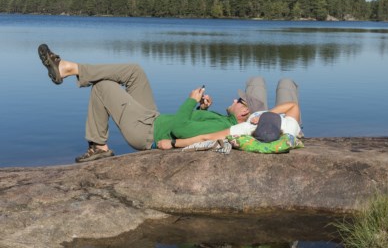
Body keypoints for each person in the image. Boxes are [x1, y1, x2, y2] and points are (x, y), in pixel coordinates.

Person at [37, 44, 301, 162]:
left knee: (104, 87)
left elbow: (183, 131)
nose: (234, 99)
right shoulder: (224, 118)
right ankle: (70, 69)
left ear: (245, 113)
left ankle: (98, 147)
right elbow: (191, 124)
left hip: (147, 132)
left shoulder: (227, 127)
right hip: (153, 117)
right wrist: (201, 108)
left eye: (239, 100)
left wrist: (189, 102)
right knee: (134, 71)